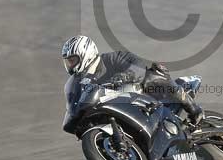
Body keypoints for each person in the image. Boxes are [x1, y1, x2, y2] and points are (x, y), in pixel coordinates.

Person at [61, 35, 204, 124]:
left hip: (143, 90)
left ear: (86, 53)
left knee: (155, 74)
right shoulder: (83, 80)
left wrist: (126, 75)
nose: (70, 65)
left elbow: (138, 66)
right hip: (122, 104)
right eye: (68, 62)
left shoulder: (111, 58)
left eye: (73, 60)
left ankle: (193, 108)